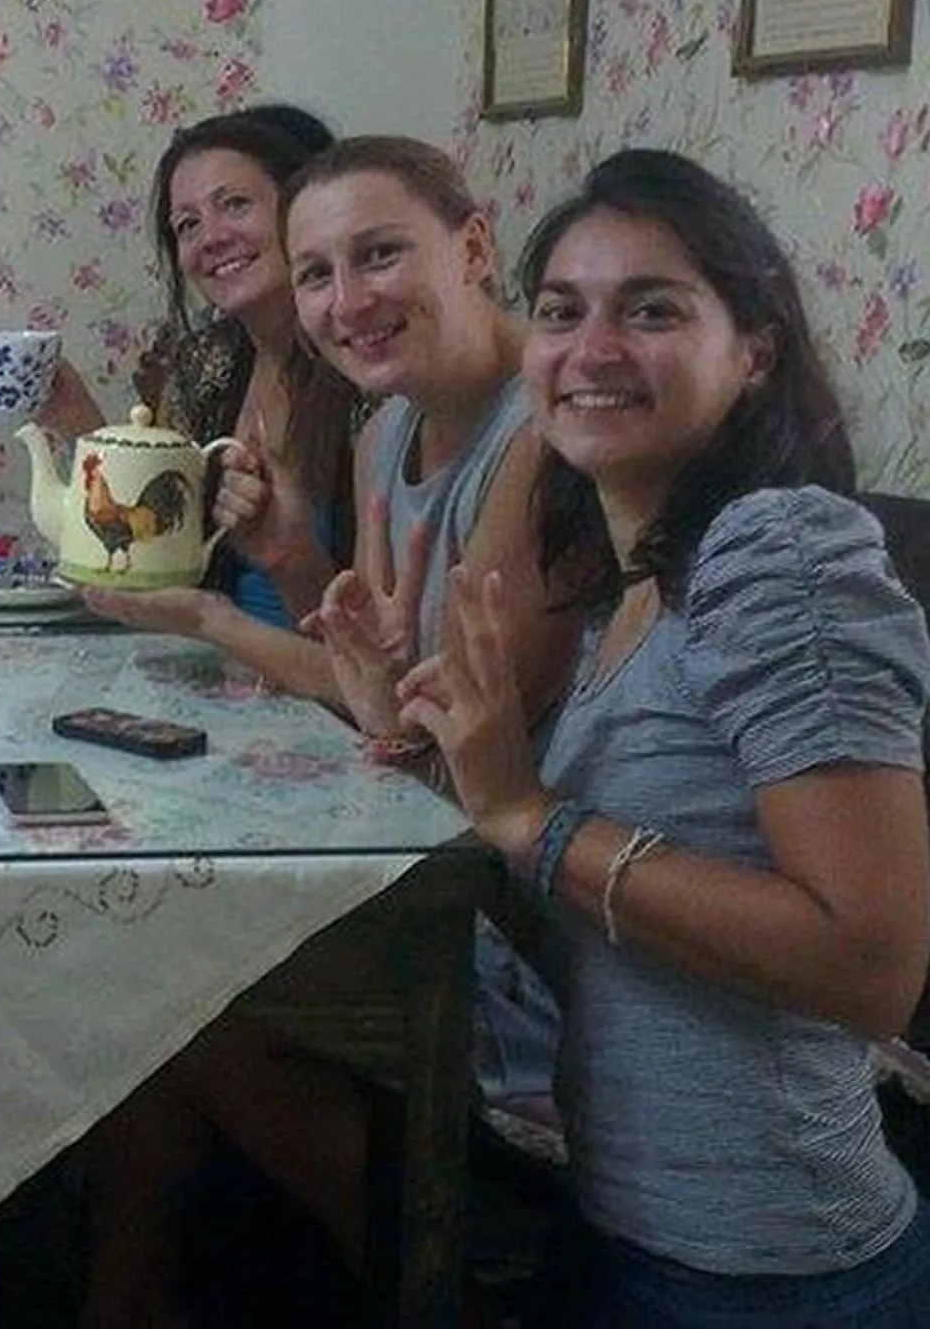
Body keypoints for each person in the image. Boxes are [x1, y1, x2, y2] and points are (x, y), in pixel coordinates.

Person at [327, 148, 930, 1322]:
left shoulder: (775, 553)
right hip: (630, 1238)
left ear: (752, 355)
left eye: (650, 310)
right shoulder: (631, 584)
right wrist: (443, 766)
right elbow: (610, 938)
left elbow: (869, 965)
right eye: (560, 312)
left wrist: (529, 814)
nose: (589, 351)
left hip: (778, 1270)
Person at [76, 137, 579, 1322]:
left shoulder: (538, 435)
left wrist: (206, 614)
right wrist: (289, 560)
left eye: (378, 256)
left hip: (522, 901)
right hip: (429, 831)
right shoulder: (382, 428)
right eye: (319, 275)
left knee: (154, 991)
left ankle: (448, 1269)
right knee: (138, 971)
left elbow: (437, 718)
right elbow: (372, 672)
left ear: (470, 245)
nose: (345, 302)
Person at [43, 106, 359, 633]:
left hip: (321, 698)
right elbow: (161, 551)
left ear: (304, 208)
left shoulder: (367, 370)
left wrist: (292, 559)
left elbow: (373, 655)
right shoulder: (207, 364)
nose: (210, 237)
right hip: (215, 668)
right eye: (187, 225)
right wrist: (81, 427)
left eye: (234, 204)